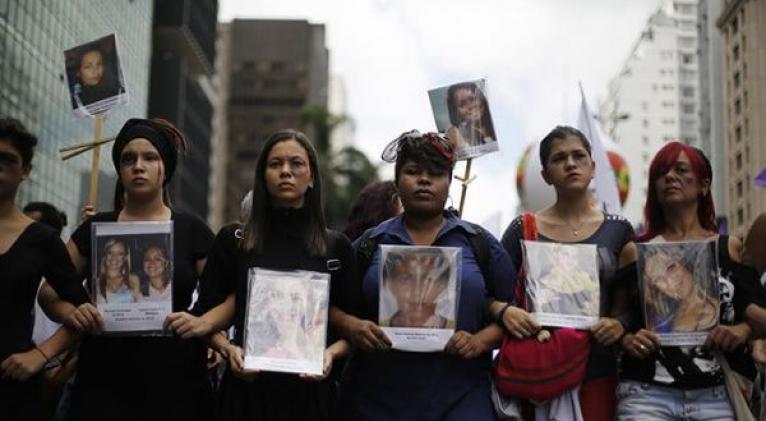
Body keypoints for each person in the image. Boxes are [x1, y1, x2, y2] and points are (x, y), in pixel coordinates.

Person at [175, 129, 356, 421]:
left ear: (311, 178)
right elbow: (204, 317)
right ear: (262, 176)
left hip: (310, 398)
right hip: (246, 395)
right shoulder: (233, 241)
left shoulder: (336, 247)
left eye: (296, 164)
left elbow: (354, 328)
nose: (286, 171)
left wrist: (330, 355)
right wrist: (228, 350)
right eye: (275, 164)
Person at [334, 130, 515, 420]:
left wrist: (480, 341)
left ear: (449, 180)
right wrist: (351, 325)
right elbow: (328, 304)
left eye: (436, 172)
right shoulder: (368, 245)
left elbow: (514, 313)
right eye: (413, 171)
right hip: (374, 403)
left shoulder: (480, 244)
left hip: (461, 402)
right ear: (396, 181)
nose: (424, 180)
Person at [50, 118, 215, 421]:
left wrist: (204, 324)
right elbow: (50, 292)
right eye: (129, 158)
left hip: (176, 382)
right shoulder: (96, 227)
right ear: (119, 169)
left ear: (165, 167)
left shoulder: (193, 230)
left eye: (150, 157)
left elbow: (225, 294)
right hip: (104, 381)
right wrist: (71, 313)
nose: (138, 165)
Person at [617, 142, 766, 420]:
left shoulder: (729, 248)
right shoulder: (634, 252)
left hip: (718, 396)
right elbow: (614, 322)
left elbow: (757, 316)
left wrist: (741, 332)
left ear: (704, 185)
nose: (670, 176)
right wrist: (628, 339)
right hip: (646, 395)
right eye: (661, 172)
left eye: (680, 169)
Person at [496, 126, 636, 420]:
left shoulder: (619, 230)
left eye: (578, 156)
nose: (570, 164)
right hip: (538, 370)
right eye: (559, 159)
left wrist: (619, 325)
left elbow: (636, 305)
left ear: (593, 167)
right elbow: (489, 292)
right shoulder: (523, 229)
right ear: (546, 174)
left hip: (598, 371)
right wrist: (503, 311)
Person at [0, 118, 90, 421]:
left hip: (11, 387)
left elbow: (83, 311)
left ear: (25, 170)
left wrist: (41, 355)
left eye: (8, 160)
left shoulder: (41, 240)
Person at [642, 247, 718, 333]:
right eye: (658, 279)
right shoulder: (665, 317)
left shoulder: (718, 307)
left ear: (684, 262)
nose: (669, 282)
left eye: (670, 268)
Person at [445, 82, 496, 151]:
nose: (470, 106)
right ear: (456, 111)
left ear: (482, 99)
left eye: (472, 99)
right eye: (462, 104)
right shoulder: (456, 134)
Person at [96, 237, 140, 304]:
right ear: (105, 255)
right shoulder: (96, 282)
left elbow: (139, 307)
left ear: (125, 257)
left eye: (120, 254)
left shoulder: (133, 280)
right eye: (110, 252)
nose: (114, 257)